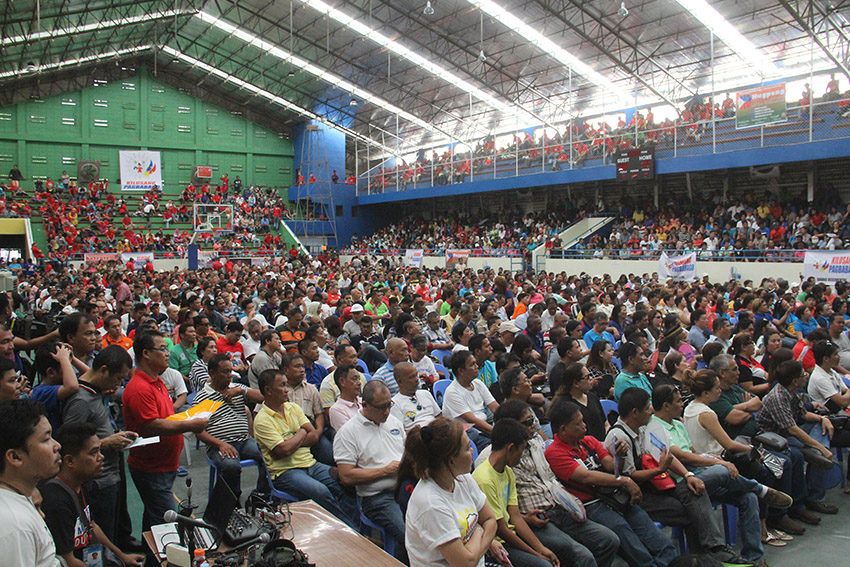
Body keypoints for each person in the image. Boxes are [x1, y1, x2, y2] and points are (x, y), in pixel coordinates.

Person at [651, 384, 791, 563]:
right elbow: (683, 456)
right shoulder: (656, 428)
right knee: (721, 470)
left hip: (701, 474)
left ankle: (753, 559)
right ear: (666, 406)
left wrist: (712, 459)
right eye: (678, 402)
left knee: (748, 498)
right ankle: (761, 489)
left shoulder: (678, 424)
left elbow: (693, 452)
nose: (682, 405)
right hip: (682, 481)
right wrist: (719, 462)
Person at [606, 387, 742, 563]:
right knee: (691, 514)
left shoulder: (643, 428)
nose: (651, 411)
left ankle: (712, 553)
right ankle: (705, 558)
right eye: (648, 408)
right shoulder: (619, 436)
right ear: (635, 412)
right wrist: (659, 470)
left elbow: (667, 455)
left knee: (693, 488)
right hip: (637, 496)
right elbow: (630, 477)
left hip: (657, 484)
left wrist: (688, 475)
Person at [544, 398, 677, 567]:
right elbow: (586, 477)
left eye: (583, 421)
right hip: (592, 504)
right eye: (578, 424)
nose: (584, 426)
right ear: (563, 429)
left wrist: (619, 455)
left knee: (659, 540)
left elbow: (611, 467)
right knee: (635, 548)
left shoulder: (589, 441)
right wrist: (625, 481)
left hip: (616, 496)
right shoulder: (554, 453)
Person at [487, 400, 620, 567]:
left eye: (534, 419)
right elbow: (503, 513)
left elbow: (550, 478)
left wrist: (571, 499)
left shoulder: (536, 445)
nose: (534, 425)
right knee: (582, 555)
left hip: (559, 507)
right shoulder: (499, 462)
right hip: (536, 518)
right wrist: (525, 520)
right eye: (528, 422)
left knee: (609, 539)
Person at [122, 331, 208, 533]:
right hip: (152, 468)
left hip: (164, 465)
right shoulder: (140, 388)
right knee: (165, 523)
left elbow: (166, 417)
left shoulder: (158, 381)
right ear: (146, 354)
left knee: (154, 516)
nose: (168, 353)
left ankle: (149, 551)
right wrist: (191, 425)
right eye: (162, 349)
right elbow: (154, 425)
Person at [253, 368, 358, 529]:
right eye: (282, 385)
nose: (286, 389)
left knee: (347, 483)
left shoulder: (292, 408)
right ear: (268, 390)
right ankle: (352, 531)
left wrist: (292, 439)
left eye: (286, 385)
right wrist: (301, 432)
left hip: (311, 464)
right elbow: (283, 450)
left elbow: (313, 435)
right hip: (285, 471)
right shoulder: (262, 420)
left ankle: (344, 529)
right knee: (321, 491)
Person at [399, 416, 504, 567]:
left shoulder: (463, 479)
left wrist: (475, 546)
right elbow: (465, 563)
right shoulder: (430, 503)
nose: (473, 451)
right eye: (468, 448)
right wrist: (479, 530)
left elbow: (490, 520)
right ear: (451, 459)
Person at [61, 346, 137, 546]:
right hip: (98, 481)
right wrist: (106, 442)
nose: (118, 384)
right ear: (103, 370)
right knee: (103, 539)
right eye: (118, 378)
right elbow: (69, 441)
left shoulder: (96, 391)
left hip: (110, 472)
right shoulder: (80, 401)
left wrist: (116, 436)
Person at [40, 422, 145, 567]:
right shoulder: (56, 502)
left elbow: (91, 526)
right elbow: (67, 561)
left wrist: (122, 556)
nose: (101, 457)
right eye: (93, 453)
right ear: (70, 460)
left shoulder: (79, 485)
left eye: (100, 451)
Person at [472, 418, 570, 567]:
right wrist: (536, 554)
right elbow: (501, 530)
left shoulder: (508, 472)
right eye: (521, 449)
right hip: (497, 543)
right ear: (511, 448)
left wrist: (541, 549)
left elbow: (516, 517)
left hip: (511, 534)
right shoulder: (484, 479)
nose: (522, 455)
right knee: (543, 565)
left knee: (561, 549)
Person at [333, 380, 407, 561]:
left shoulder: (393, 422)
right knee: (408, 537)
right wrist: (385, 471)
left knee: (436, 524)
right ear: (364, 405)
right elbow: (346, 476)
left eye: (389, 405)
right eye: (381, 407)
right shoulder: (348, 433)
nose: (387, 412)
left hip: (404, 487)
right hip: (377, 497)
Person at [757, 360, 838, 517]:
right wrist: (819, 447)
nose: (806, 376)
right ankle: (799, 504)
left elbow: (804, 414)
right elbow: (792, 429)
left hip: (788, 433)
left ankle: (819, 455)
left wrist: (823, 419)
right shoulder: (778, 397)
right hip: (773, 439)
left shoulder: (792, 392)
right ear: (795, 381)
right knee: (797, 455)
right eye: (803, 375)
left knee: (818, 427)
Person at [193, 353, 267, 498]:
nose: (230, 376)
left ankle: (262, 494)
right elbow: (198, 431)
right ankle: (232, 501)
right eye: (225, 372)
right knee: (230, 466)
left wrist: (242, 390)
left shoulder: (236, 388)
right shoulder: (202, 398)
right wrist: (220, 444)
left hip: (244, 441)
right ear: (212, 373)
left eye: (231, 371)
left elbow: (264, 397)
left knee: (270, 454)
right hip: (219, 444)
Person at [0, 399, 62, 567]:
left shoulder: (17, 501)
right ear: (15, 457)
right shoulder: (16, 527)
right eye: (46, 439)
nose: (57, 446)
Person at [280, 352, 333, 465]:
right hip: (287, 432)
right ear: (285, 370)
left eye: (302, 366)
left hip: (311, 430)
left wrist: (318, 432)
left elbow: (319, 414)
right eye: (297, 366)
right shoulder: (278, 390)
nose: (302, 370)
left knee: (329, 457)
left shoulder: (311, 389)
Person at [443, 350, 499, 451]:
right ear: (461, 371)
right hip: (469, 434)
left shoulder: (478, 383)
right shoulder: (452, 392)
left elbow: (495, 407)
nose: (477, 367)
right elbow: (473, 421)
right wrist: (497, 432)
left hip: (485, 429)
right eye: (472, 365)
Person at [552, 363, 607, 442]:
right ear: (576, 383)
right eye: (587, 377)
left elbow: (605, 423)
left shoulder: (592, 397)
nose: (591, 379)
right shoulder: (563, 406)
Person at [391, 361, 440, 431]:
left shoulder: (425, 394)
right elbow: (400, 433)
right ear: (400, 382)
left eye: (416, 375)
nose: (417, 379)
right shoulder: (395, 404)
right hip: (417, 438)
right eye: (412, 377)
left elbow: (439, 417)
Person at [328, 364, 363, 432]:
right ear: (342, 382)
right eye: (354, 379)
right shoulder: (337, 410)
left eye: (359, 379)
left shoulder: (364, 402)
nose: (359, 383)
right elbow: (351, 435)